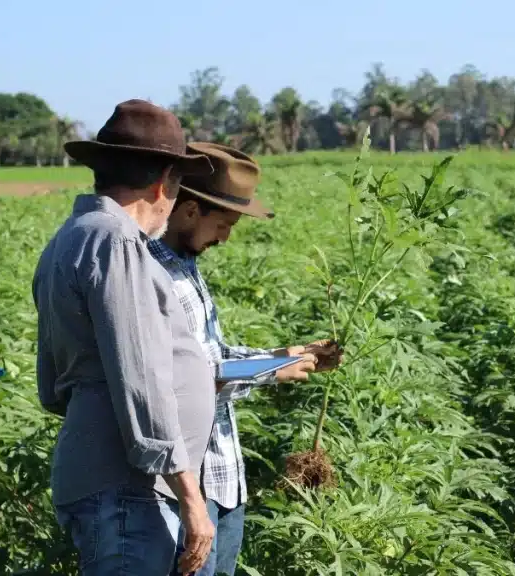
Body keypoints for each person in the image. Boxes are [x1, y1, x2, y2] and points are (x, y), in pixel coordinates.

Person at [31, 99, 221, 575]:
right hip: (127, 490)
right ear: (164, 184)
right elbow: (142, 381)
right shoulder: (115, 242)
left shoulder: (71, 237)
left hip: (106, 481)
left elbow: (54, 383)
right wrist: (191, 497)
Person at [147, 142, 343, 576]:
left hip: (223, 476)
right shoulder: (154, 275)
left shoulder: (185, 266)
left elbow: (212, 357)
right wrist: (271, 372)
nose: (226, 237)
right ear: (192, 210)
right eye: (224, 223)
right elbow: (184, 380)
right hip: (190, 480)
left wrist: (282, 355)